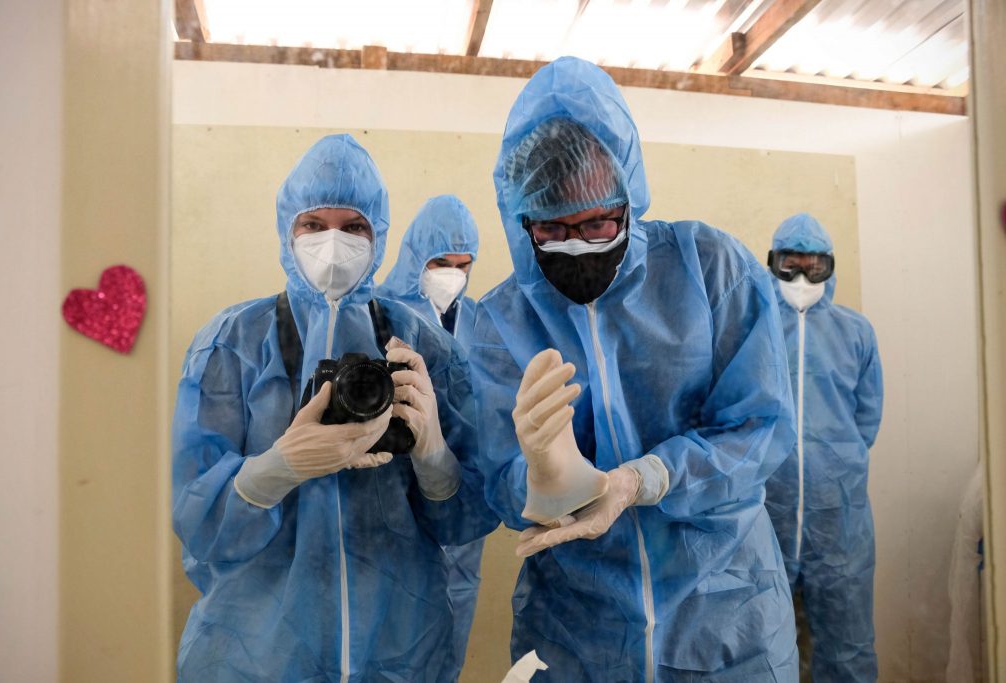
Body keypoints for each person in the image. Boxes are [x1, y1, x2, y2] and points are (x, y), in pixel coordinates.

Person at [469, 56, 799, 681]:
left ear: (630, 197)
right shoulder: (499, 323)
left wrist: (639, 480)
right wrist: (539, 483)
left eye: (598, 221)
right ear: (521, 224)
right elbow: (496, 477)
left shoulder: (709, 270)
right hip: (579, 629)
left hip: (725, 614)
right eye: (554, 228)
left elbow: (759, 428)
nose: (580, 243)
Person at [172, 134, 496, 682]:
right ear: (287, 230)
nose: (333, 242)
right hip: (258, 653)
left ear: (381, 234)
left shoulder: (422, 343)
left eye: (354, 227)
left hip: (400, 645)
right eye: (313, 225)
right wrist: (273, 470)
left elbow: (466, 519)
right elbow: (199, 522)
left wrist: (436, 460)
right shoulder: (232, 342)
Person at [763, 213, 883, 683]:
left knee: (846, 645)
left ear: (829, 268)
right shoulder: (754, 329)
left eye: (814, 266)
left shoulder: (856, 333)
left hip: (839, 520)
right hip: (764, 515)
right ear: (772, 263)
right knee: (762, 644)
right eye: (790, 265)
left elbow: (866, 420)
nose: (801, 278)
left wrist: (831, 464)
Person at [376, 194, 486, 677]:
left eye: (463, 265)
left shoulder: (483, 321)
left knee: (447, 634)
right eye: (440, 262)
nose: (452, 276)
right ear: (414, 256)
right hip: (389, 506)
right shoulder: (378, 315)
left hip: (459, 503)